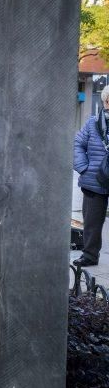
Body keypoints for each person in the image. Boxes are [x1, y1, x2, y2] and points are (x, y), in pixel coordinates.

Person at [73, 86, 109, 267]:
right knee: (92, 221)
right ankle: (89, 255)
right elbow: (78, 144)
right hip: (94, 179)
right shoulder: (92, 123)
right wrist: (82, 167)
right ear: (106, 101)